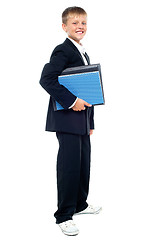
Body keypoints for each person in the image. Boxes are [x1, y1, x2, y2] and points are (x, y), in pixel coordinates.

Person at [39, 6, 101, 236]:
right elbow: (47, 79)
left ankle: (80, 204)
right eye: (74, 23)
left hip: (81, 121)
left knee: (84, 163)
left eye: (83, 23)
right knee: (69, 167)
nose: (80, 27)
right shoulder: (62, 50)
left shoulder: (83, 52)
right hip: (67, 119)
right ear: (64, 27)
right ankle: (64, 215)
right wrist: (71, 100)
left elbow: (88, 88)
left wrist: (91, 121)